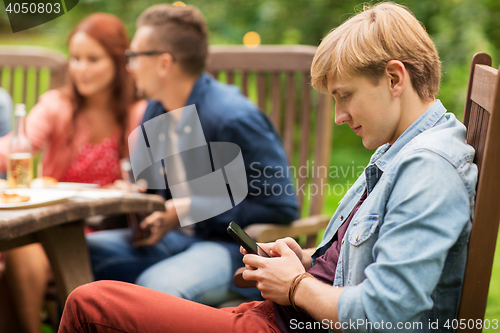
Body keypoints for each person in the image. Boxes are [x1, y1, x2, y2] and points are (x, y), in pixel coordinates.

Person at [59, 2, 478, 333]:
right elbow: (360, 262)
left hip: (258, 293)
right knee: (78, 262)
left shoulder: (427, 169)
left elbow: (386, 315)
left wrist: (296, 286)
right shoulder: (397, 152)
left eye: (344, 95)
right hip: (270, 304)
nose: (338, 116)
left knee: (91, 303)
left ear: (394, 78)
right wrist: (306, 259)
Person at [86, 4, 297, 306]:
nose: (129, 67)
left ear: (164, 63)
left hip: (228, 249)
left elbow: (280, 205)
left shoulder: (233, 118)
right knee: (80, 251)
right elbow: (162, 192)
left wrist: (190, 209)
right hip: (175, 240)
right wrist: (139, 198)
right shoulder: (155, 110)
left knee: (154, 286)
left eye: (133, 57)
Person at [0, 13, 146, 333]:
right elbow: (11, 150)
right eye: (76, 59)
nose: (81, 68)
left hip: (101, 229)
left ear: (118, 62)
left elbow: (144, 182)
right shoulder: (57, 105)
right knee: (18, 249)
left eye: (93, 59)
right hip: (47, 226)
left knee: (18, 252)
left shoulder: (137, 112)